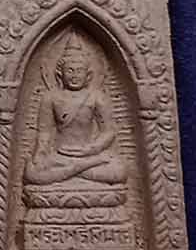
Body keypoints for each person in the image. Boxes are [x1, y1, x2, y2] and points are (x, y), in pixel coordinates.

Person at [23, 32, 127, 187]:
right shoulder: (51, 97)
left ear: (88, 75)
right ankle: (80, 170)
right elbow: (44, 132)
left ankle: (72, 171)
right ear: (60, 74)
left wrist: (92, 149)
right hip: (59, 156)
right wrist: (40, 153)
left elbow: (109, 131)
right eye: (70, 70)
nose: (74, 75)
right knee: (33, 172)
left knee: (120, 171)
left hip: (89, 155)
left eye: (79, 71)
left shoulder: (96, 97)